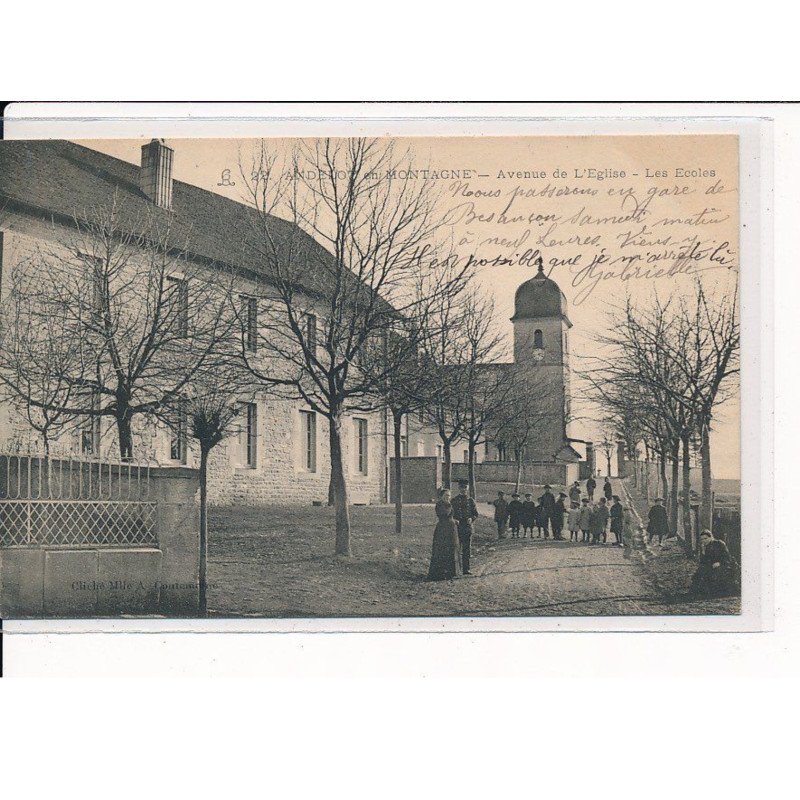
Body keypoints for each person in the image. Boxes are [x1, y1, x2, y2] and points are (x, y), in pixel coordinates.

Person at [427, 488, 462, 581]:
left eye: (449, 496)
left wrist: (454, 521)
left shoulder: (448, 504)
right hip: (443, 530)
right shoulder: (440, 505)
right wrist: (450, 507)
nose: (448, 497)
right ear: (441, 496)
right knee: (442, 549)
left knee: (452, 548)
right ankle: (440, 573)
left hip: (451, 530)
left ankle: (451, 572)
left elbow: (450, 517)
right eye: (446, 495)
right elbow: (444, 515)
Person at [691, 530, 739, 597]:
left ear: (711, 537)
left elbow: (727, 557)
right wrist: (703, 552)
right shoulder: (704, 547)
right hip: (711, 565)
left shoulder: (719, 543)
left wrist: (719, 563)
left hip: (724, 564)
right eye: (702, 539)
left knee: (716, 574)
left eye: (706, 538)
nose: (704, 541)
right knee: (700, 573)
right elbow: (704, 561)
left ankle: (719, 592)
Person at [452, 479, 479, 575]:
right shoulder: (454, 500)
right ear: (459, 488)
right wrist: (454, 519)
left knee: (466, 549)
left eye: (465, 487)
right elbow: (451, 514)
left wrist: (472, 519)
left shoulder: (471, 501)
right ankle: (456, 570)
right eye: (461, 487)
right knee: (457, 548)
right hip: (457, 527)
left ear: (467, 488)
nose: (463, 489)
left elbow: (476, 514)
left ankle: (466, 569)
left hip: (467, 527)